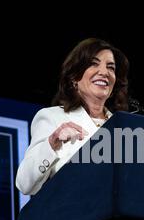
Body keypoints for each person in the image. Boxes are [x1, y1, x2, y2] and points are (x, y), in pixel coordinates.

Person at [16, 38, 129, 195]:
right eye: (93, 63)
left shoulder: (124, 127)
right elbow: (24, 184)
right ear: (74, 77)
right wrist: (52, 143)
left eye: (111, 67)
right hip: (74, 214)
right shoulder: (52, 117)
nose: (104, 72)